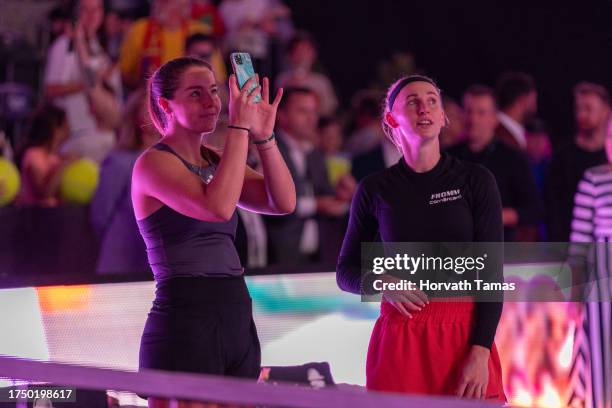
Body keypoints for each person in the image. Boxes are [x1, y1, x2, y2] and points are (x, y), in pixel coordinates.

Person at [131, 56, 295, 408]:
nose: (211, 103)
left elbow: (282, 202)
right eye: (195, 94)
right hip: (187, 314)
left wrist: (264, 138)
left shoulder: (217, 158)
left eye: (214, 91)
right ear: (166, 105)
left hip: (234, 309)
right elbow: (217, 208)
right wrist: (239, 128)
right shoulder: (152, 163)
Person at [336, 75, 506, 400]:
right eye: (412, 101)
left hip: (463, 334)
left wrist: (481, 350)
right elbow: (345, 271)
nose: (424, 108)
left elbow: (491, 275)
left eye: (432, 101)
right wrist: (383, 282)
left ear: (443, 116)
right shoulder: (374, 189)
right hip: (402, 337)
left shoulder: (476, 180)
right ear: (391, 118)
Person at [448, 84, 543, 242]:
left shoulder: (513, 158)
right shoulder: (447, 156)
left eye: (481, 113)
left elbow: (534, 209)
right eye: (469, 111)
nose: (473, 119)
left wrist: (495, 215)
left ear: (495, 118)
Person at [265, 87, 346, 265]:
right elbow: (270, 203)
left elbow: (327, 195)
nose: (312, 119)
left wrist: (343, 195)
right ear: (282, 115)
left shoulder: (316, 154)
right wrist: (316, 205)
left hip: (319, 256)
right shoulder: (269, 150)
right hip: (278, 257)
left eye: (314, 112)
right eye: (303, 111)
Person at [567, 116, 612, 408]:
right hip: (603, 296)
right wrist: (573, 297)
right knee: (602, 369)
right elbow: (579, 246)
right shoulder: (595, 179)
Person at [44, 0, 122, 164]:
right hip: (73, 133)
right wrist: (91, 83)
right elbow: (50, 90)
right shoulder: (64, 45)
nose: (92, 15)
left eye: (96, 9)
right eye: (85, 10)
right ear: (76, 14)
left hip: (102, 132)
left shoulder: (102, 49)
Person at [91, 89, 159, 274]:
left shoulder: (174, 162)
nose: (154, 113)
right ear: (135, 115)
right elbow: (101, 214)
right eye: (148, 107)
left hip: (161, 263)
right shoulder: (120, 161)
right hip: (122, 260)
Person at [545, 82, 610, 242]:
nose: (582, 114)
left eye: (588, 108)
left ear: (606, 111)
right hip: (570, 243)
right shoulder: (562, 156)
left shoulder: (607, 159)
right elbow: (552, 206)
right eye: (578, 108)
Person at [17, 105, 73, 207]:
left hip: (58, 216)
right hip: (36, 218)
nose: (69, 128)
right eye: (66, 124)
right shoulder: (33, 154)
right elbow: (44, 194)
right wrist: (64, 165)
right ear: (55, 129)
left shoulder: (58, 157)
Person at [495, 71, 538, 150]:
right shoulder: (499, 134)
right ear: (523, 100)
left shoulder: (508, 132)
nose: (535, 107)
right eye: (533, 101)